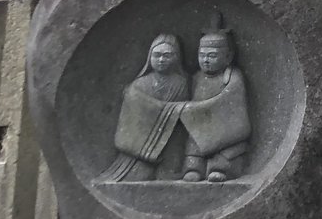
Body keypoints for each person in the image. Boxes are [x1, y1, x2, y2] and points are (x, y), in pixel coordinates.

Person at [102, 33, 189, 182]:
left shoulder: (182, 83)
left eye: (167, 55)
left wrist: (171, 112)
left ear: (176, 58)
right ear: (150, 57)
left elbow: (183, 116)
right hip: (141, 145)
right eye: (157, 55)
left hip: (172, 143)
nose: (161, 60)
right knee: (140, 175)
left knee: (169, 174)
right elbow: (131, 119)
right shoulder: (139, 85)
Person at [181, 26, 252, 183]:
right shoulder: (196, 78)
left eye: (212, 56)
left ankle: (219, 169)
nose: (205, 60)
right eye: (202, 55)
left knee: (226, 150)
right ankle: (194, 168)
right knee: (193, 143)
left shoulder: (232, 76)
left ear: (228, 57)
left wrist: (198, 109)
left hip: (226, 128)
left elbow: (231, 101)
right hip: (200, 126)